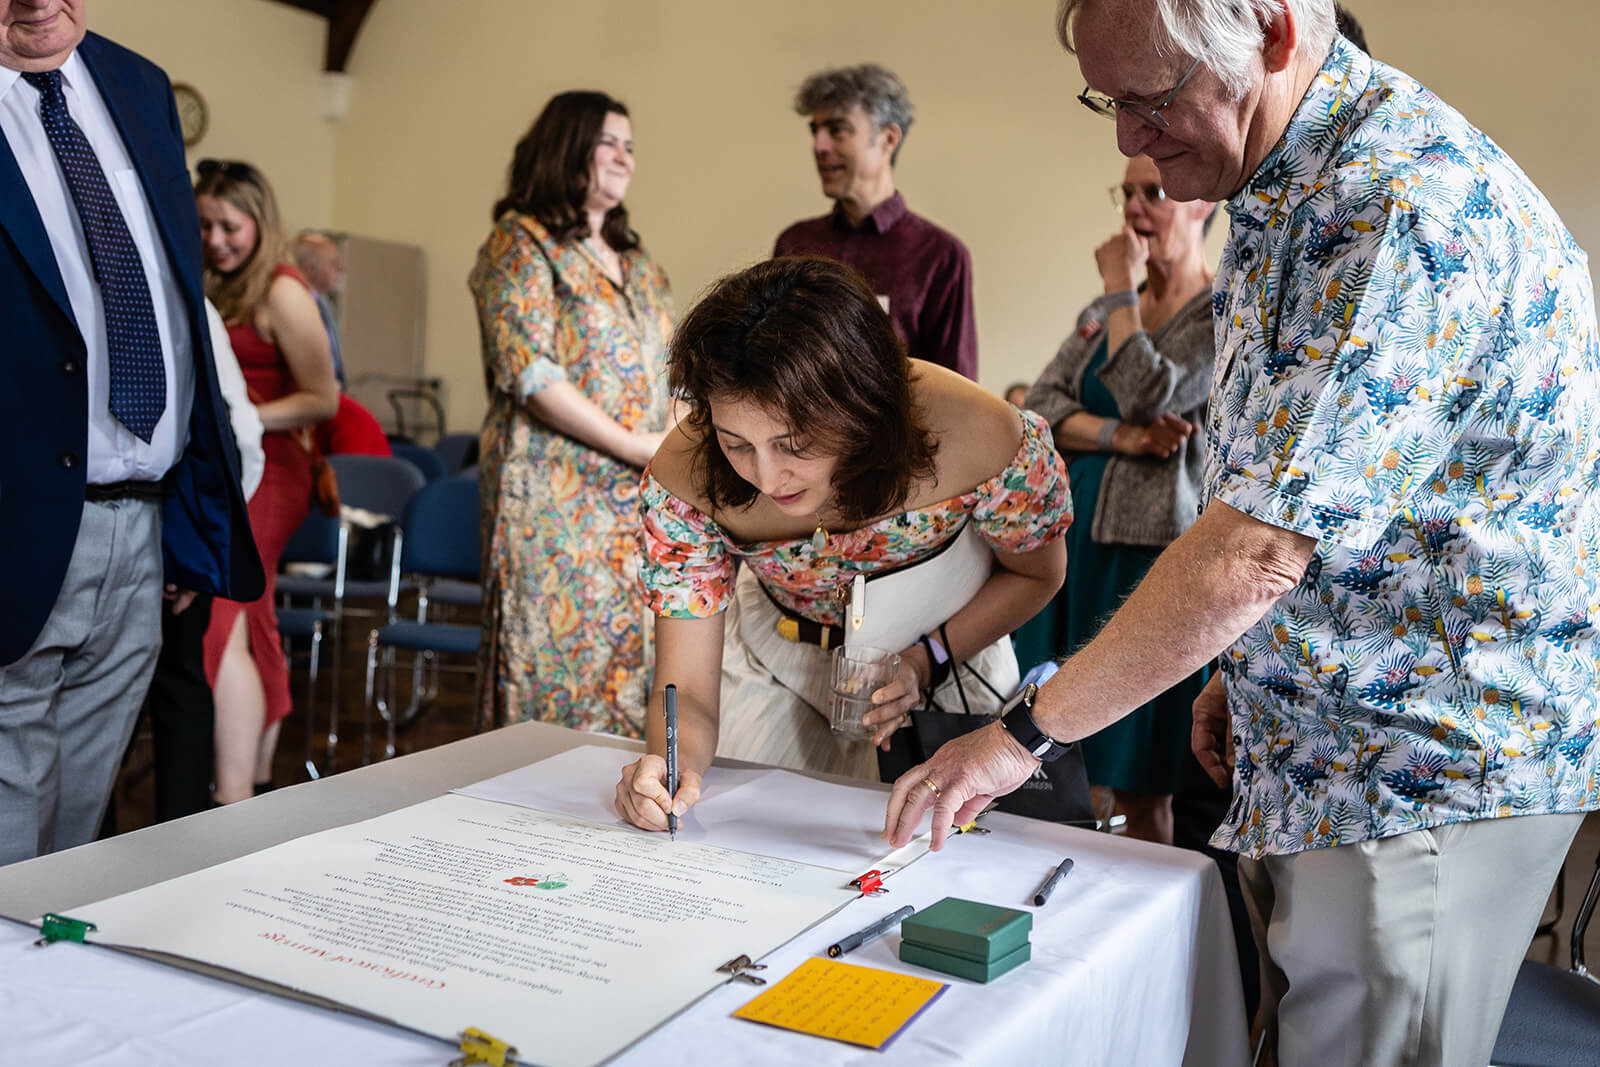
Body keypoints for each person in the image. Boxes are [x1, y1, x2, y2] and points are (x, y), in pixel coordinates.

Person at [884, 2, 1600, 1065]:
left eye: (1149, 98)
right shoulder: (1286, 176)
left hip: (1416, 762)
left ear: (1269, 35)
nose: (1127, 137)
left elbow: (1255, 550)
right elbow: (1320, 495)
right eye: (1108, 100)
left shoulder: (1392, 205)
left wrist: (1022, 734)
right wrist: (1246, 663)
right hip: (1332, 730)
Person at [613, 256, 1071, 830]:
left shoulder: (979, 434)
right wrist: (668, 767)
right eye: (735, 443)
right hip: (776, 667)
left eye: (794, 443)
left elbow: (1036, 574)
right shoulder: (685, 477)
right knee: (748, 844)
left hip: (951, 659)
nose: (767, 476)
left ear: (864, 407)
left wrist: (926, 659)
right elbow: (689, 692)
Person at [0, 2, 263, 863]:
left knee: (78, 831)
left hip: (143, 520)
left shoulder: (136, 84)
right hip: (19, 514)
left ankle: (44, 986)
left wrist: (183, 506)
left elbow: (172, 299)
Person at [1020, 156, 1215, 843]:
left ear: (1199, 204)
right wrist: (1126, 440)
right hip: (1075, 551)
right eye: (1126, 191)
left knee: (1142, 775)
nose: (1133, 207)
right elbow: (1040, 406)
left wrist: (1116, 287)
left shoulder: (1220, 314)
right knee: (1067, 763)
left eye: (1153, 192)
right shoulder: (1100, 313)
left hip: (1149, 561)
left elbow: (1149, 389)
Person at [471, 90, 674, 736]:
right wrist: (635, 444)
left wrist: (672, 439)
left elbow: (671, 369)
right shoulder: (520, 242)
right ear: (567, 148)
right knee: (551, 674)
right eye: (608, 142)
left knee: (628, 674)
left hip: (634, 504)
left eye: (631, 146)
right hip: (553, 498)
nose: (624, 158)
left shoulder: (641, 266)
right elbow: (530, 372)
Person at [196, 158, 338, 805]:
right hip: (228, 465)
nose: (216, 239)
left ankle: (229, 795)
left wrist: (243, 417)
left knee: (222, 614)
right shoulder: (210, 281)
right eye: (205, 225)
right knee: (253, 619)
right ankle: (253, 783)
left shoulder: (282, 290)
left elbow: (322, 398)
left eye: (230, 226)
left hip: (272, 469)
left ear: (260, 221)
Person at [133, 301, 264, 824]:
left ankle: (183, 846)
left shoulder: (186, 296)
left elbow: (231, 429)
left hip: (172, 521)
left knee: (179, 685)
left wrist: (195, 544)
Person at [774, 64, 979, 380]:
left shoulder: (942, 255)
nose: (819, 146)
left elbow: (958, 389)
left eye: (837, 129)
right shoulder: (794, 243)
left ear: (888, 139)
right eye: (815, 130)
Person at [292, 230, 346, 387]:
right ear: (310, 268)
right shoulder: (294, 305)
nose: (340, 270)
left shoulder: (324, 304)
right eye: (333, 264)